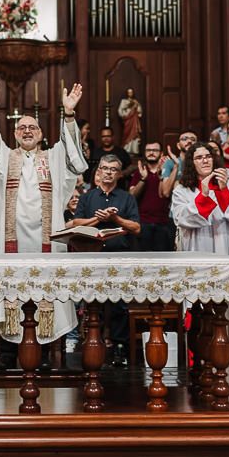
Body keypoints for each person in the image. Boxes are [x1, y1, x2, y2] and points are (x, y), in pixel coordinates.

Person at [0, 78, 87, 363]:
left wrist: (70, 114)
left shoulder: (53, 158)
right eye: (22, 128)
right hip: (11, 240)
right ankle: (7, 351)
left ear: (40, 135)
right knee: (10, 290)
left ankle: (50, 352)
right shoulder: (5, 159)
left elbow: (76, 161)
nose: (27, 131)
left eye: (33, 128)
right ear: (14, 134)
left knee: (47, 291)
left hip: (47, 241)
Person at [69, 154, 142, 366]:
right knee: (93, 303)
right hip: (92, 257)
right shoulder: (88, 197)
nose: (108, 172)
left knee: (119, 305)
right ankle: (93, 346)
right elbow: (75, 223)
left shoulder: (127, 198)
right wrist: (97, 219)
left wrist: (116, 219)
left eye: (113, 169)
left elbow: (136, 228)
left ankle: (119, 348)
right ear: (98, 172)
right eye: (104, 168)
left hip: (119, 257)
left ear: (119, 174)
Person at [171, 143, 229, 256]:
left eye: (208, 156)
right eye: (199, 158)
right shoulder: (182, 190)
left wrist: (223, 190)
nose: (205, 161)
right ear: (191, 163)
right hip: (195, 246)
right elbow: (180, 219)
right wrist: (203, 196)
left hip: (224, 242)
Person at [132, 141, 175, 251]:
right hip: (143, 223)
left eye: (155, 150)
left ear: (161, 153)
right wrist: (143, 179)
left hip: (164, 223)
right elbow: (132, 196)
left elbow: (168, 193)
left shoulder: (168, 172)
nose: (151, 153)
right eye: (148, 150)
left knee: (164, 262)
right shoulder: (140, 172)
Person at [117, 88, 143, 156]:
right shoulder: (124, 101)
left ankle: (134, 150)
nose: (130, 93)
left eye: (131, 92)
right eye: (129, 92)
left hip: (134, 121)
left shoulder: (135, 102)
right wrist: (126, 111)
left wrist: (136, 109)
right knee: (127, 134)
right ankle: (127, 149)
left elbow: (140, 112)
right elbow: (120, 111)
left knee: (135, 135)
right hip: (127, 121)